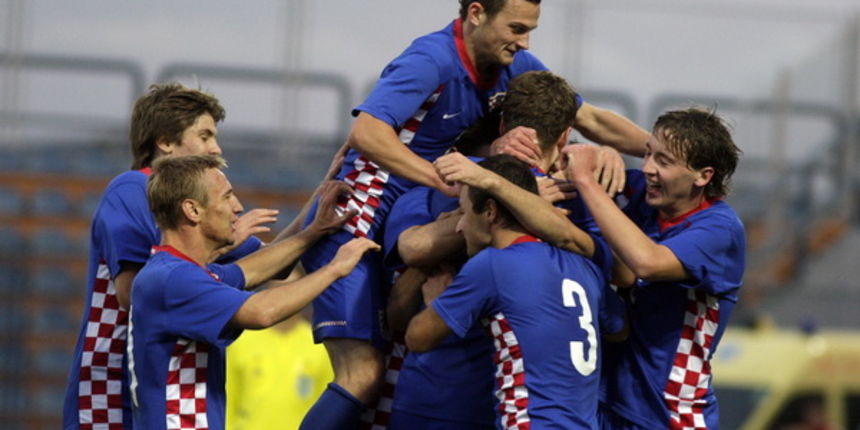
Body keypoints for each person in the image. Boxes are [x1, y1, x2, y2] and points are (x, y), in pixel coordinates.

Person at [301, 2, 649, 425]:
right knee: (363, 375)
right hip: (353, 218)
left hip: (408, 221)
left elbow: (590, 118)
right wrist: (454, 181)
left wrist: (652, 153)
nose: (525, 41)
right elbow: (367, 132)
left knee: (390, 375)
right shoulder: (431, 59)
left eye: (530, 30)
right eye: (517, 28)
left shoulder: (513, 63)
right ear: (477, 13)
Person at [62, 83, 280, 430]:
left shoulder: (202, 215)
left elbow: (272, 265)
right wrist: (223, 258)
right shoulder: (133, 188)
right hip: (111, 392)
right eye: (205, 135)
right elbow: (132, 291)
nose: (216, 147)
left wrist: (319, 220)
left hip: (165, 393)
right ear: (165, 141)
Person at [127, 155, 380, 430]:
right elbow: (262, 311)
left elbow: (263, 269)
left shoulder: (183, 273)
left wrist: (315, 227)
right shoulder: (173, 279)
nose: (237, 208)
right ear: (192, 210)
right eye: (226, 197)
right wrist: (334, 269)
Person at [405, 155, 624, 429]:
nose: (459, 226)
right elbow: (619, 329)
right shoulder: (583, 267)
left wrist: (436, 302)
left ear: (490, 212)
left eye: (464, 212)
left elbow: (417, 338)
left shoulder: (491, 266)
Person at [563, 107, 745, 429]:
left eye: (663, 161)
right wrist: (592, 156)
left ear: (703, 176)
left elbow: (646, 263)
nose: (647, 169)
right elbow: (571, 169)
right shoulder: (644, 199)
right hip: (606, 403)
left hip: (670, 414)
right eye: (647, 154)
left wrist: (585, 179)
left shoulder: (719, 229)